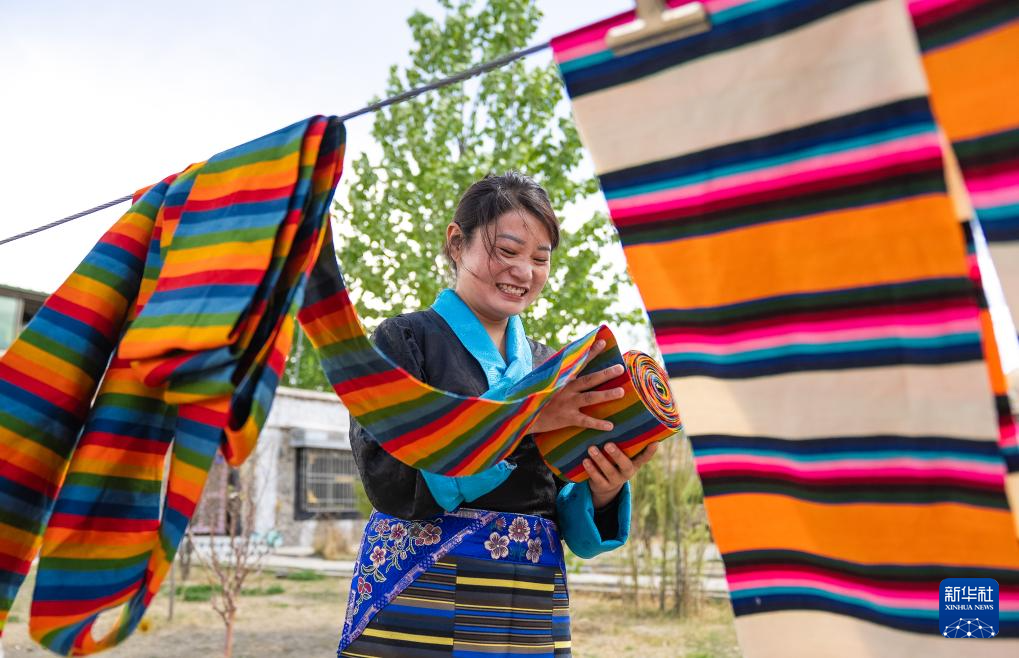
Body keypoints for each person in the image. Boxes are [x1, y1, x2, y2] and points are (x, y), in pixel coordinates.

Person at [338, 172, 658, 658]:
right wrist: (523, 419)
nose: (523, 271)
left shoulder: (555, 367)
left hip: (527, 600)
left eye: (540, 258)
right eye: (507, 251)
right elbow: (392, 483)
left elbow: (561, 507)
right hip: (419, 587)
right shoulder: (402, 342)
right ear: (456, 242)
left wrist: (603, 488)